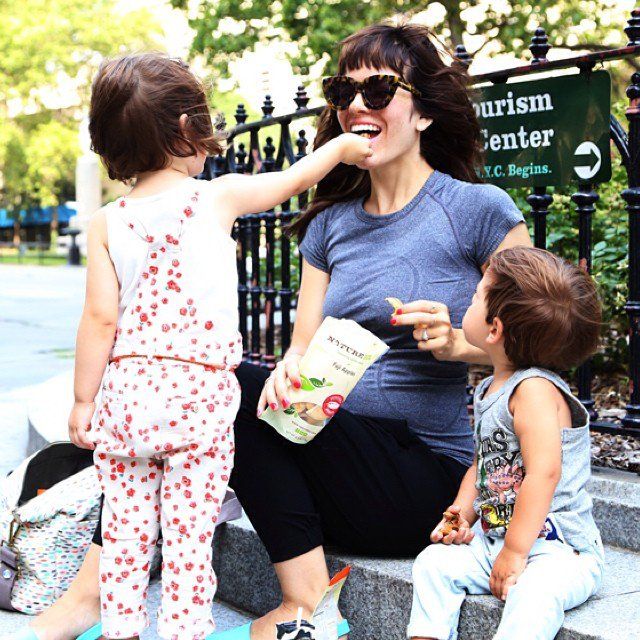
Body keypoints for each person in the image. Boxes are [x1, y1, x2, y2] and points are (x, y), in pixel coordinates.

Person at [21, 22, 532, 640]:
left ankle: (299, 601)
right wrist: (292, 373)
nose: (353, 106)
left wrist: (460, 346)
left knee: (217, 382)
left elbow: (536, 348)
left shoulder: (479, 210)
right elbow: (300, 351)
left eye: (378, 91)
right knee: (216, 385)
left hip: (428, 479)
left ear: (422, 110)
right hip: (331, 468)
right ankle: (105, 595)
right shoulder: (329, 227)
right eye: (343, 91)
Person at [59, 53, 370, 640]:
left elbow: (99, 319)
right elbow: (294, 179)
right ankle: (183, 632)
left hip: (126, 395)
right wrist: (340, 149)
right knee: (186, 538)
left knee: (126, 535)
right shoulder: (215, 197)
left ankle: (122, 630)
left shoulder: (106, 222)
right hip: (196, 394)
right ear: (185, 130)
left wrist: (82, 402)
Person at [408, 246, 604, 640]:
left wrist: (515, 553)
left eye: (478, 293)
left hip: (558, 551)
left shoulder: (533, 390)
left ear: (494, 329)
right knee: (433, 564)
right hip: (497, 541)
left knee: (534, 593)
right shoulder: (490, 388)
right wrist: (460, 515)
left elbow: (544, 473)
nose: (470, 296)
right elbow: (483, 463)